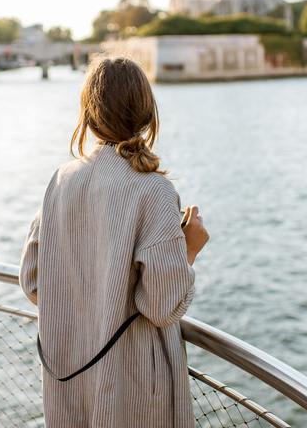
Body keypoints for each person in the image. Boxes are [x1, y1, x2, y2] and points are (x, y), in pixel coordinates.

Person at [20, 55, 209, 428]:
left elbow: (33, 281)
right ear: (146, 114)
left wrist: (89, 303)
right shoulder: (153, 190)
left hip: (71, 375)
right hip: (132, 388)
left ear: (88, 116)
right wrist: (187, 249)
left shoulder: (60, 180)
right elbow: (161, 305)